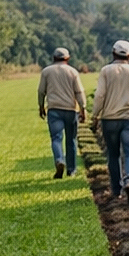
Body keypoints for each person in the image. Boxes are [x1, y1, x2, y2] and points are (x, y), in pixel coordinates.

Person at [91, 40, 129, 203]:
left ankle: (116, 190)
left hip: (109, 119)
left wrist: (95, 116)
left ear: (113, 53)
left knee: (113, 154)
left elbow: (100, 95)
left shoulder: (106, 71)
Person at [37, 47, 87, 178]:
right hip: (71, 110)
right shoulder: (72, 72)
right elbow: (79, 92)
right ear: (67, 58)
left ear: (53, 58)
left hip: (54, 109)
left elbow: (41, 91)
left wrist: (41, 106)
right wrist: (83, 108)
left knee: (56, 138)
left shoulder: (46, 71)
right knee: (71, 140)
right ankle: (72, 170)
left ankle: (59, 160)